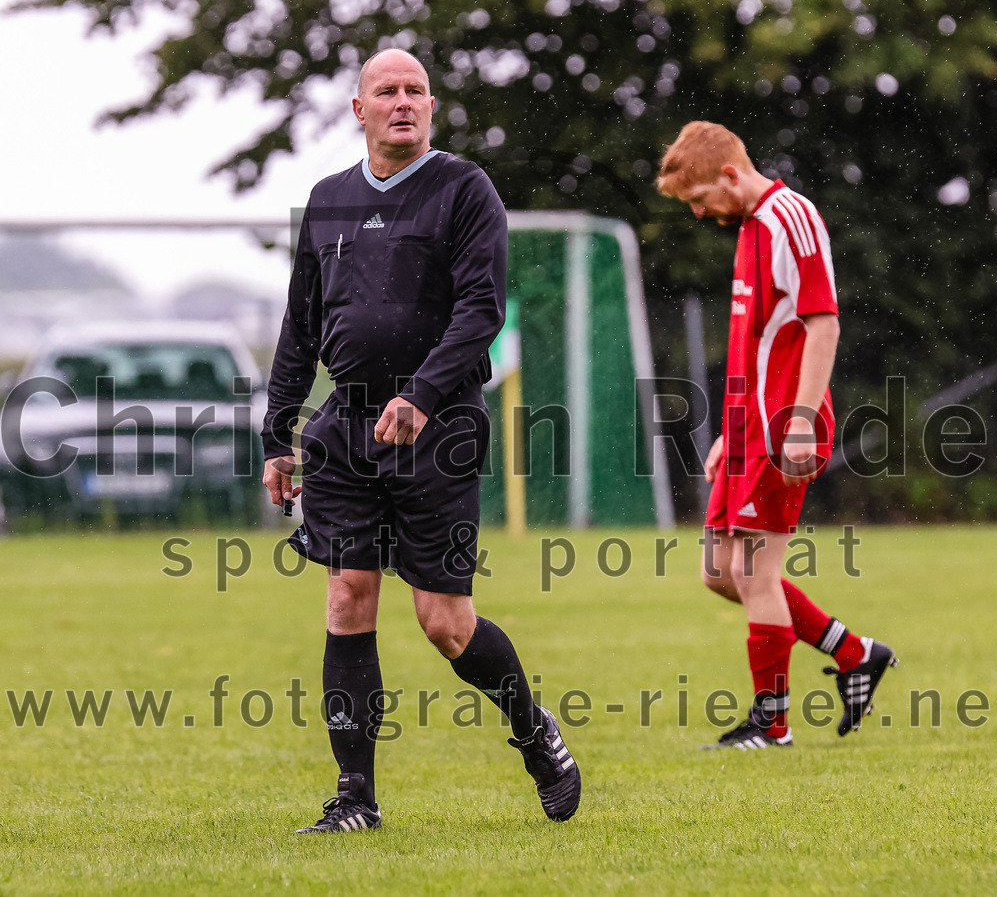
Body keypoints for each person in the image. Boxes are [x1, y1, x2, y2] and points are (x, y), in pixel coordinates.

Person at [261, 48, 581, 830]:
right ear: (358, 108)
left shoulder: (464, 190)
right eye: (387, 91)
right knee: (348, 595)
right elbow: (301, 328)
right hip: (345, 430)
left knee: (444, 621)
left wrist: (421, 395)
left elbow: (481, 309)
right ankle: (355, 798)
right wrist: (278, 433)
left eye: (415, 91)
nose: (402, 101)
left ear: (431, 106)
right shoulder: (327, 200)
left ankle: (533, 729)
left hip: (439, 428)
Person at [656, 121, 897, 749]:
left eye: (701, 199)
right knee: (719, 571)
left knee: (755, 574)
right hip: (748, 428)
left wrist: (797, 420)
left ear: (731, 175)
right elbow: (754, 342)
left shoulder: (791, 217)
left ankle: (773, 724)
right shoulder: (751, 229)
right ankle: (854, 653)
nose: (701, 213)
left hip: (783, 424)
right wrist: (729, 431)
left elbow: (823, 327)